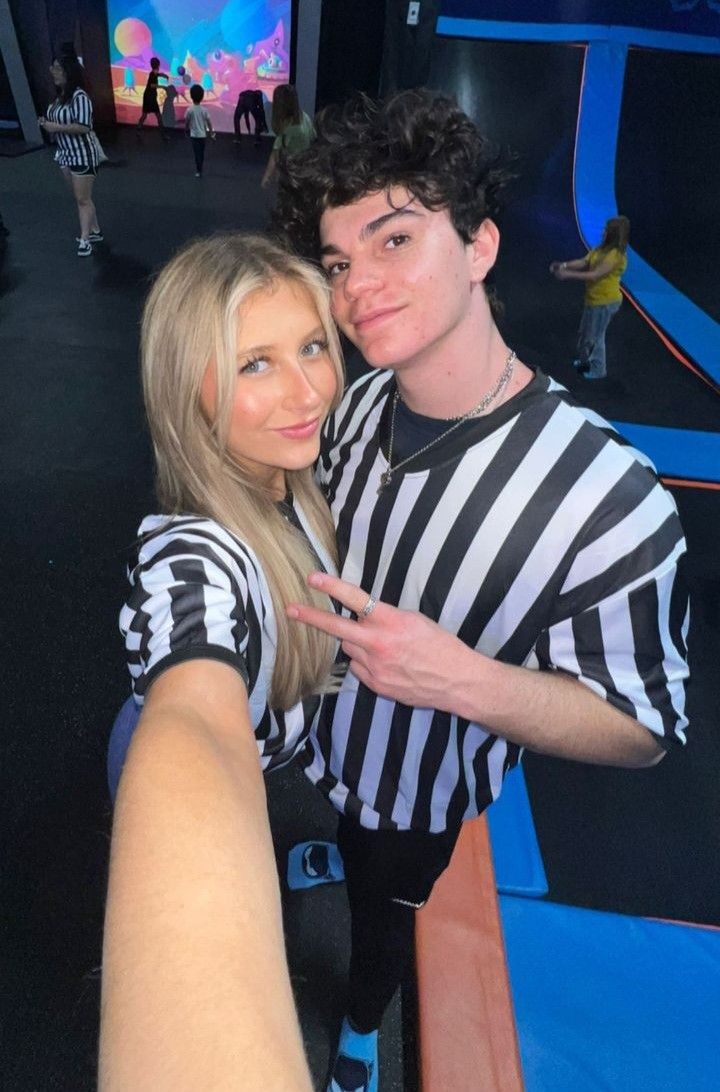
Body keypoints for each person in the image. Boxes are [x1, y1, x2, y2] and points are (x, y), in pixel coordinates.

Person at [273, 90, 689, 1092]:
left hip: (420, 790)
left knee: (383, 908)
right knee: (341, 832)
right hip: (329, 741)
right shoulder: (359, 397)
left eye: (394, 240)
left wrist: (460, 680)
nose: (358, 287)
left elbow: (644, 727)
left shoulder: (609, 499)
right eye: (339, 264)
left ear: (479, 247)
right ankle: (338, 853)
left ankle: (367, 1028)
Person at [99, 233, 345, 1091]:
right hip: (176, 751)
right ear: (188, 389)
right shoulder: (193, 557)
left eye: (312, 346)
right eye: (254, 365)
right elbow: (195, 718)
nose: (307, 389)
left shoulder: (291, 473)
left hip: (276, 758)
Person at [550, 215, 630, 379]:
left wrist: (567, 275)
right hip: (594, 300)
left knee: (596, 337)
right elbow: (584, 262)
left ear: (613, 234)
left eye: (606, 230)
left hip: (605, 302)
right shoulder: (601, 250)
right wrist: (564, 265)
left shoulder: (615, 256)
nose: (603, 232)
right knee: (586, 333)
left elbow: (595, 275)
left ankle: (598, 369)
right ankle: (585, 362)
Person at [38, 56, 102, 257]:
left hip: (82, 155)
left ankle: (85, 239)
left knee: (82, 198)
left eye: (57, 68)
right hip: (65, 155)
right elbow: (58, 122)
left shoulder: (80, 97)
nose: (53, 72)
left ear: (68, 71)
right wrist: (46, 123)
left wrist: (56, 126)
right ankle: (95, 230)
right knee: (81, 197)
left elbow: (84, 126)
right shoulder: (60, 97)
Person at [261, 84, 314, 189]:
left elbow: (275, 155)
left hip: (293, 170)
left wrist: (266, 176)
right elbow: (313, 137)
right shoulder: (304, 116)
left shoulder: (289, 128)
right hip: (306, 167)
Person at [184, 83, 215, 177]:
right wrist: (211, 133)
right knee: (201, 153)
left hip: (194, 136)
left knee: (196, 153)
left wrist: (186, 130)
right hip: (203, 136)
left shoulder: (189, 110)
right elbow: (209, 122)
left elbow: (187, 121)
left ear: (191, 96)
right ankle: (200, 167)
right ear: (202, 97)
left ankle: (199, 170)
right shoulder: (204, 110)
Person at [137, 56, 169, 137]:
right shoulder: (152, 75)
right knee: (158, 116)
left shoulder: (153, 73)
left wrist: (163, 75)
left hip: (148, 97)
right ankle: (163, 134)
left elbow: (157, 74)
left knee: (145, 115)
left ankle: (138, 130)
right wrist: (162, 86)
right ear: (158, 65)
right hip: (150, 98)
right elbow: (152, 85)